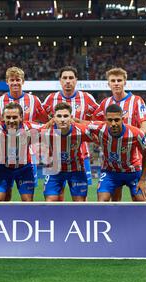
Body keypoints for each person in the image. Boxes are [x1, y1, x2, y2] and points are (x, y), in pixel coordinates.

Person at [0, 66, 48, 200]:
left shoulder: (34, 100)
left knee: (27, 197)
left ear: (23, 81)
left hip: (28, 154)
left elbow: (45, 121)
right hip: (4, 154)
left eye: (18, 80)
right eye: (12, 80)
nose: (15, 83)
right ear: (7, 82)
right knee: (5, 194)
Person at [92, 67, 146, 201]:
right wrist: (104, 141)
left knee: (140, 201)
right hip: (112, 162)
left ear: (125, 82)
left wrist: (130, 138)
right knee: (114, 201)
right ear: (108, 83)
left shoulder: (137, 101)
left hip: (132, 159)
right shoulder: (105, 103)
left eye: (119, 80)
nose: (116, 83)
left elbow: (145, 126)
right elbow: (95, 127)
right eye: (113, 80)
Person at [42, 65, 100, 199]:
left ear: (76, 80)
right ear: (60, 81)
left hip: (80, 154)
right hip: (55, 155)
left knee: (80, 197)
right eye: (65, 78)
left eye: (71, 78)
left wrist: (80, 122)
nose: (68, 81)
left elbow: (98, 120)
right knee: (57, 194)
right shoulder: (51, 99)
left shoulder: (87, 98)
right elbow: (43, 121)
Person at [82, 104, 146, 202]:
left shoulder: (136, 133)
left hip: (133, 172)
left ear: (122, 119)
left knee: (142, 202)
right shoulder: (100, 128)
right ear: (105, 119)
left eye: (117, 120)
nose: (113, 123)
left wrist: (143, 179)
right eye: (110, 120)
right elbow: (81, 123)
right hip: (111, 172)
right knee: (102, 201)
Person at [0, 102, 42, 202]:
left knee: (27, 201)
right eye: (8, 117)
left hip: (24, 169)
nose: (11, 120)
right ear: (3, 118)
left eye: (14, 117)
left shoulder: (30, 127)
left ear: (21, 117)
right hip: (3, 168)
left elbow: (50, 126)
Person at [41, 102, 91, 202]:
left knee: (80, 202)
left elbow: (100, 137)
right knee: (50, 201)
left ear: (71, 118)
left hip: (76, 169)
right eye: (59, 116)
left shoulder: (81, 131)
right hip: (54, 169)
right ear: (54, 118)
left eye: (65, 116)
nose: (62, 119)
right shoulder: (44, 131)